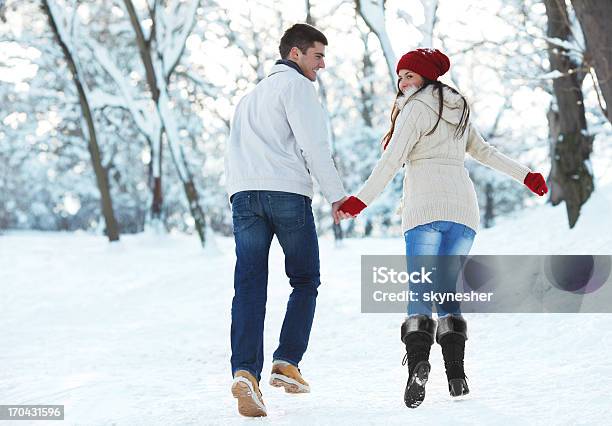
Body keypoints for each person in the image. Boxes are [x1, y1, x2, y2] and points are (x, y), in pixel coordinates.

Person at [337, 48, 548, 408]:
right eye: (400, 75)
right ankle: (456, 377)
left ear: (427, 77)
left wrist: (360, 201)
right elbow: (485, 152)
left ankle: (418, 363)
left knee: (420, 290)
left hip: (425, 209)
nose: (403, 82)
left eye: (410, 76)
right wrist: (526, 175)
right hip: (464, 213)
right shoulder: (459, 107)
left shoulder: (416, 108)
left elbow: (392, 160)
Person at [224, 23, 348, 417]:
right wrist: (338, 196)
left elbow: (235, 151)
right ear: (295, 54)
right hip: (287, 194)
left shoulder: (249, 98)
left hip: (244, 195)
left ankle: (245, 372)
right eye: (318, 56)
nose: (322, 65)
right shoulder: (298, 88)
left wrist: (239, 193)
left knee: (249, 287)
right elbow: (314, 146)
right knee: (305, 279)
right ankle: (286, 363)